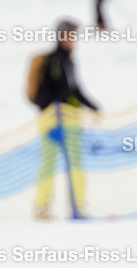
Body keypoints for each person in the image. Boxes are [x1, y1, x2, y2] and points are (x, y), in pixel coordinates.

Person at [27, 19, 100, 220]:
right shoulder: (53, 61)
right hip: (52, 119)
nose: (71, 39)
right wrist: (51, 114)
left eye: (73, 35)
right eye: (68, 35)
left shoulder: (68, 61)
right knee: (48, 164)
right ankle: (41, 208)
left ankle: (78, 206)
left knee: (76, 163)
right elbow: (49, 92)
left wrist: (92, 106)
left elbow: (74, 89)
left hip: (71, 120)